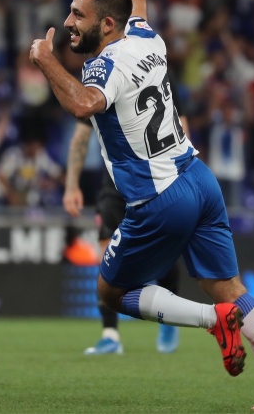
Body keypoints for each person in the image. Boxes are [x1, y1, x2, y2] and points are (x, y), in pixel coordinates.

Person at [30, 0, 254, 410]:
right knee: (229, 286)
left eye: (78, 15)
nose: (68, 22)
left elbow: (84, 104)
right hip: (199, 179)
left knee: (111, 293)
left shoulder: (104, 67)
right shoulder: (146, 37)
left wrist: (46, 61)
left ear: (106, 24)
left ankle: (210, 321)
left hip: (158, 197)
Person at [63, 79, 187, 355]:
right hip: (115, 185)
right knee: (107, 255)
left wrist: (181, 176)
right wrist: (71, 185)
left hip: (156, 182)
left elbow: (181, 128)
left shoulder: (158, 72)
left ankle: (169, 319)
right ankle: (110, 335)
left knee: (162, 254)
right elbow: (81, 135)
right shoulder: (103, 78)